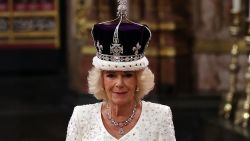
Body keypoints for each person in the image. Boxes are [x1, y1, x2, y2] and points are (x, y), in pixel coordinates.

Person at [66, 1, 176, 140]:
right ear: (101, 80)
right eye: (111, 75)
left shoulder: (160, 116)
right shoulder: (81, 116)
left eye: (128, 75)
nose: (119, 83)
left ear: (139, 79)